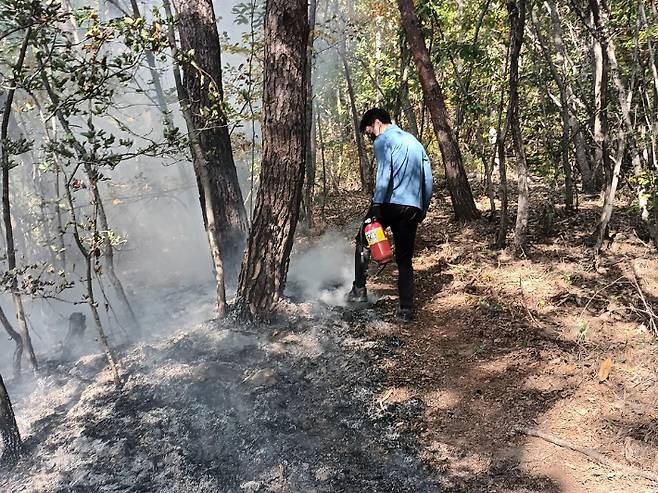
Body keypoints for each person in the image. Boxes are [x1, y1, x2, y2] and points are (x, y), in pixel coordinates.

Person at [346, 108, 432, 322]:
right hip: (411, 207)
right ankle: (405, 309)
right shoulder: (415, 142)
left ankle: (359, 290)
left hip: (388, 205)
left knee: (362, 239)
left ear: (376, 123)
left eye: (369, 132)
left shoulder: (383, 141)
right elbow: (428, 179)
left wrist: (376, 206)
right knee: (404, 259)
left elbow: (384, 173)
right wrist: (423, 208)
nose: (371, 137)